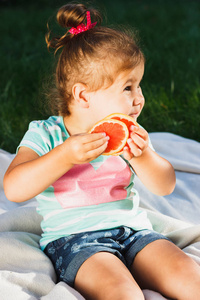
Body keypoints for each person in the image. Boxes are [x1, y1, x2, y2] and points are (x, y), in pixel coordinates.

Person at [3, 3, 200, 300]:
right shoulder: (47, 134)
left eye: (139, 85)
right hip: (75, 242)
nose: (140, 98)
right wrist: (64, 156)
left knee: (191, 278)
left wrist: (144, 156)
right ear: (83, 95)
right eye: (127, 88)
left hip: (134, 231)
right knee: (123, 294)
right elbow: (14, 188)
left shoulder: (129, 132)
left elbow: (165, 185)